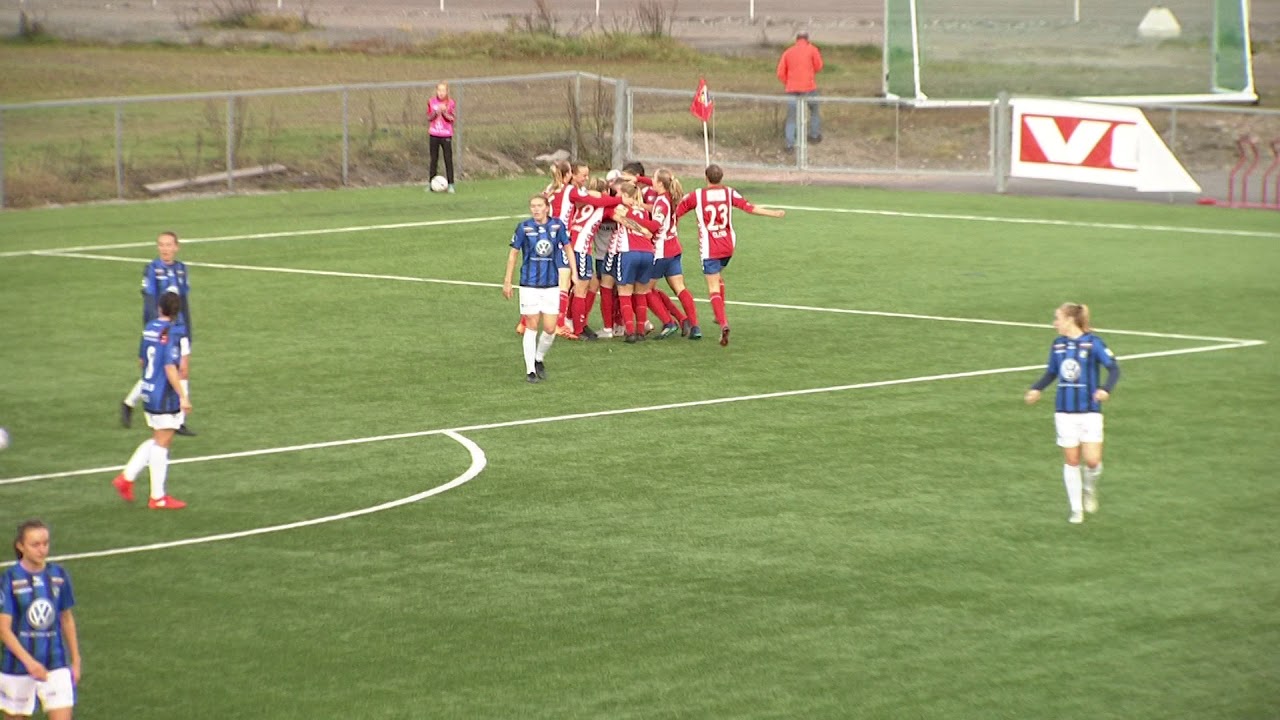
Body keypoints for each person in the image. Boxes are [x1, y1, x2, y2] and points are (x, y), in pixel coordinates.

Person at [1024, 303, 1121, 524]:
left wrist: (1105, 389)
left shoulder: (1093, 343)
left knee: (1093, 461)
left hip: (1089, 411)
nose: (1054, 323)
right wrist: (1037, 388)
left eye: (1057, 318)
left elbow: (1114, 368)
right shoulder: (1058, 345)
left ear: (1069, 319)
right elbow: (1051, 372)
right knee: (1071, 460)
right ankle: (1076, 508)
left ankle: (1089, 489)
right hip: (1064, 412)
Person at [673, 164, 785, 347]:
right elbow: (749, 208)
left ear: (706, 177)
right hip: (728, 246)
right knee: (718, 278)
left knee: (713, 288)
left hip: (711, 247)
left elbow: (677, 213)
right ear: (721, 178)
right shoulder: (729, 193)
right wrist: (774, 213)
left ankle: (723, 322)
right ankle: (720, 315)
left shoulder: (697, 195)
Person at [112, 292, 192, 510]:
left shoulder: (150, 328)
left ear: (159, 308)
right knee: (163, 441)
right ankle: (157, 497)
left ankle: (127, 478)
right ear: (177, 312)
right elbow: (170, 367)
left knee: (159, 439)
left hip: (147, 389)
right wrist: (183, 396)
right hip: (164, 395)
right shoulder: (173, 332)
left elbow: (141, 359)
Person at [1, 520, 81, 720]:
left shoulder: (59, 575)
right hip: (17, 666)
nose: (42, 549)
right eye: (35, 545)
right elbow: (3, 629)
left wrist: (76, 659)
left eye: (45, 543)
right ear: (20, 546)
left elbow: (66, 619)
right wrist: (30, 663)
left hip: (55, 663)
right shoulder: (9, 579)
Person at [120, 231, 196, 437]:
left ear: (176, 247)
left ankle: (179, 419)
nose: (165, 249)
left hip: (180, 328)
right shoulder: (152, 269)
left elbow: (184, 302)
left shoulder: (181, 269)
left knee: (183, 370)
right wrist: (153, 330)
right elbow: (150, 302)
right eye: (161, 245)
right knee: (160, 371)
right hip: (162, 330)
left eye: (168, 245)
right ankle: (130, 403)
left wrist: (187, 329)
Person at [503, 195, 570, 383]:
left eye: (539, 206)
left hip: (551, 285)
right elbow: (513, 254)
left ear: (547, 208)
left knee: (550, 328)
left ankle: (538, 358)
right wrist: (508, 280)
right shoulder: (524, 228)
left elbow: (568, 248)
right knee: (531, 325)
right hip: (528, 284)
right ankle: (530, 371)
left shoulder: (557, 226)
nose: (536, 209)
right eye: (533, 206)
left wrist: (572, 271)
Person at [776, 31, 824, 151]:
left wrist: (788, 82)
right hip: (809, 87)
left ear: (796, 39)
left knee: (791, 117)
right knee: (814, 110)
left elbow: (780, 72)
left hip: (792, 88)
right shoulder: (812, 49)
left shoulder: (788, 52)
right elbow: (819, 66)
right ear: (807, 39)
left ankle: (789, 144)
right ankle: (814, 135)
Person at [427, 82, 456, 193]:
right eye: (439, 90)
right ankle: (431, 184)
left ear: (447, 91)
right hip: (434, 134)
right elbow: (429, 117)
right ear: (436, 91)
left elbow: (451, 118)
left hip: (446, 135)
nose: (441, 93)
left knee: (448, 159)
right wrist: (436, 112)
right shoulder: (431, 101)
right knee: (433, 159)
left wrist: (444, 112)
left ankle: (451, 184)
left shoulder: (451, 103)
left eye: (443, 91)